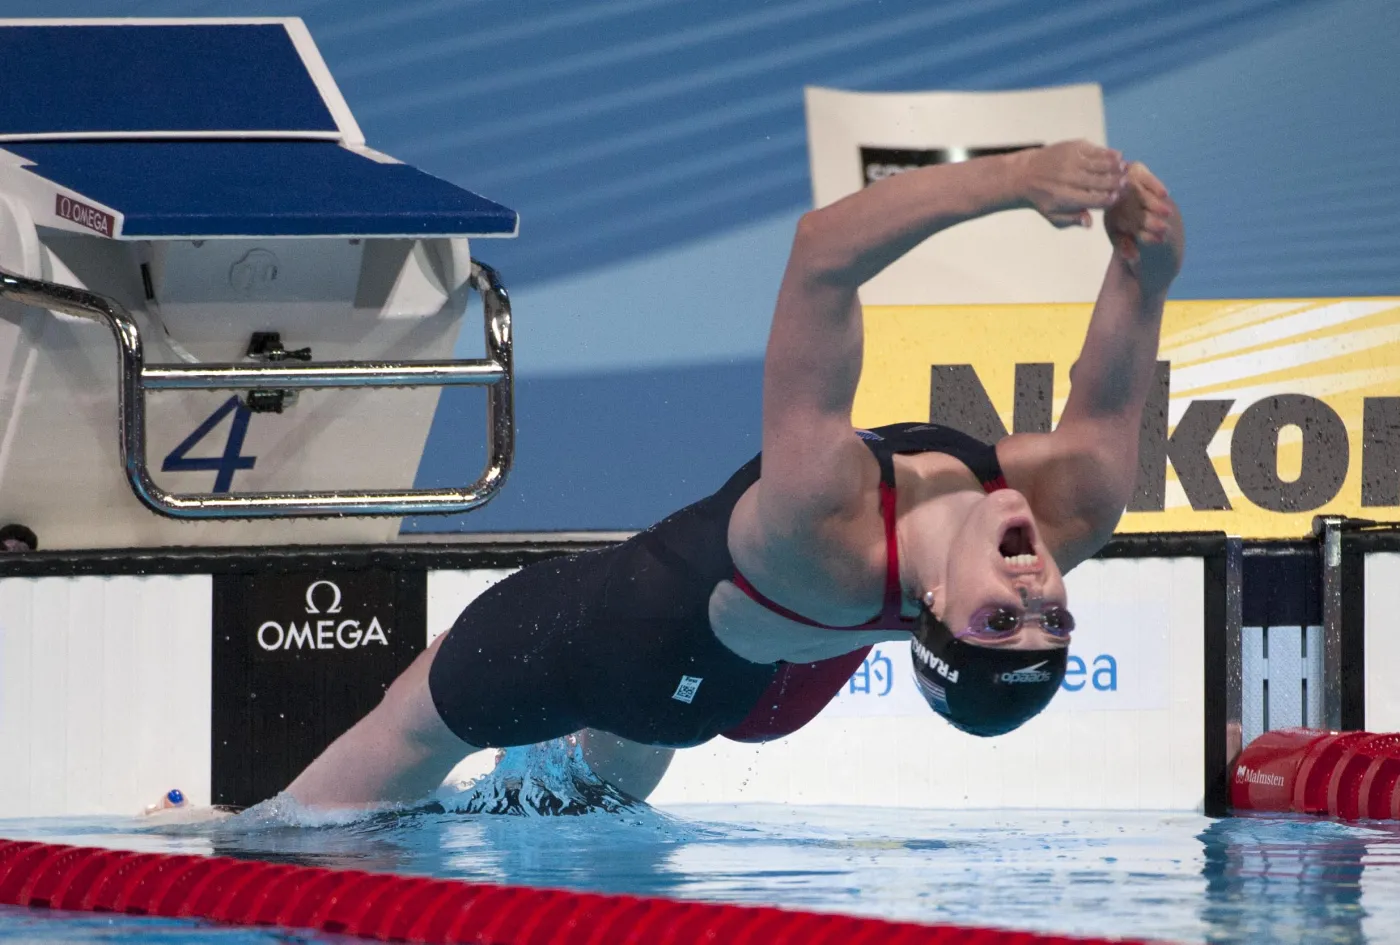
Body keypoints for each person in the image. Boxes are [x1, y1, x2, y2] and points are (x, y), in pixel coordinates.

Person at [286, 141, 1184, 808]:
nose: (1032, 588)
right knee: (572, 801)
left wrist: (1010, 178)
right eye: (1051, 615)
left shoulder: (820, 516)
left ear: (939, 606)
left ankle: (238, 841)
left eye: (1000, 620)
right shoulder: (1076, 507)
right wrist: (1150, 258)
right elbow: (1117, 368)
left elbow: (823, 253)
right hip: (782, 669)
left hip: (650, 649)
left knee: (412, 730)